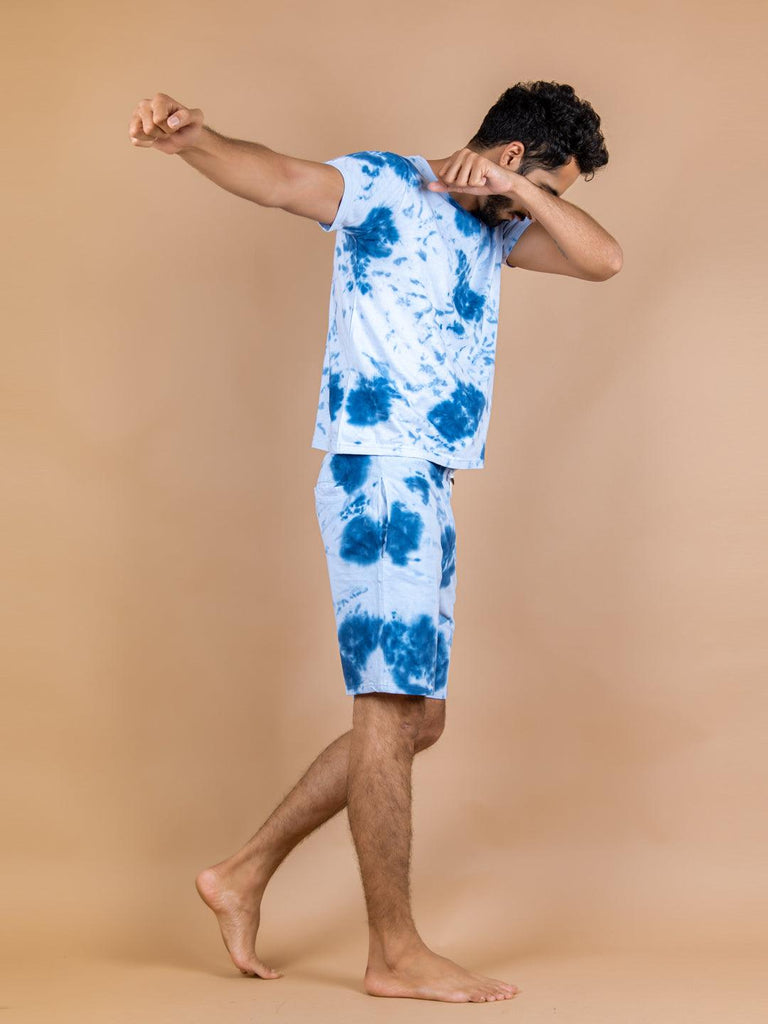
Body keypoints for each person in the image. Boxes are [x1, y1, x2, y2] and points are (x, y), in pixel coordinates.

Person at [129, 81, 622, 1003]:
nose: (540, 206)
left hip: (426, 479)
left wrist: (523, 194)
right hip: (381, 472)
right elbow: (279, 179)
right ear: (514, 154)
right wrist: (193, 141)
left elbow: (605, 260)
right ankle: (393, 952)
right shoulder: (387, 186)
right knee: (392, 710)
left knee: (418, 721)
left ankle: (240, 874)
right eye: (546, 181)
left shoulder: (495, 228)